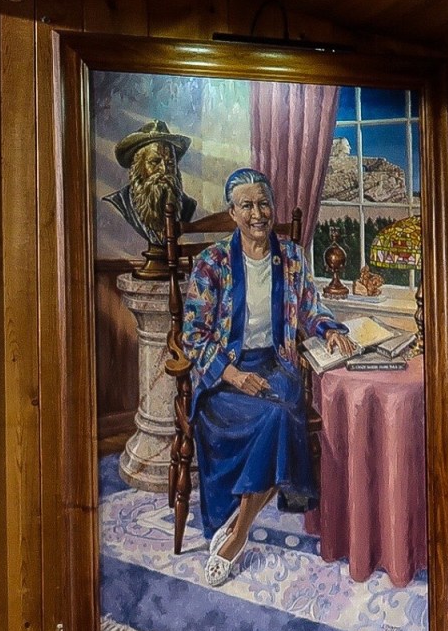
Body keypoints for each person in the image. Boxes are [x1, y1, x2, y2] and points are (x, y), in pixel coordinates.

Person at [182, 168, 353, 586]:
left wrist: (329, 330)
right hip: (226, 374)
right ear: (232, 213)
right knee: (275, 420)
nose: (257, 213)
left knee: (278, 413)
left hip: (277, 365)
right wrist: (233, 375)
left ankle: (236, 533)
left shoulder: (291, 256)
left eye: (263, 203)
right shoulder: (212, 263)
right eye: (247, 205)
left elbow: (310, 308)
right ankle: (239, 519)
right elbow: (192, 336)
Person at [102, 119, 198, 245]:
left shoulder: (188, 206)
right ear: (138, 167)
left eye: (170, 163)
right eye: (155, 162)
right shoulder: (119, 204)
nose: (164, 170)